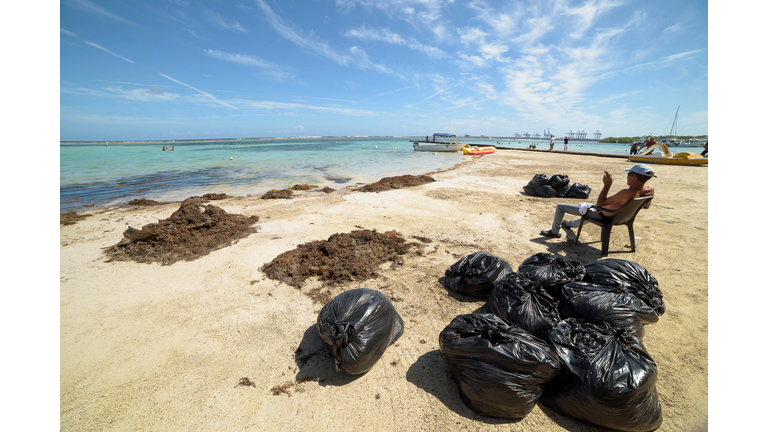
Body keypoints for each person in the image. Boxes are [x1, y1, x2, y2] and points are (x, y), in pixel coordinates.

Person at [540, 164, 656, 239]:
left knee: (561, 207)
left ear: (634, 176)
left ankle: (554, 232)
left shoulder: (626, 193)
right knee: (588, 212)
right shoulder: (649, 191)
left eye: (628, 174)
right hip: (616, 216)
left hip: (602, 214)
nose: (627, 177)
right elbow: (645, 207)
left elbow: (600, 204)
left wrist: (607, 185)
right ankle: (567, 224)